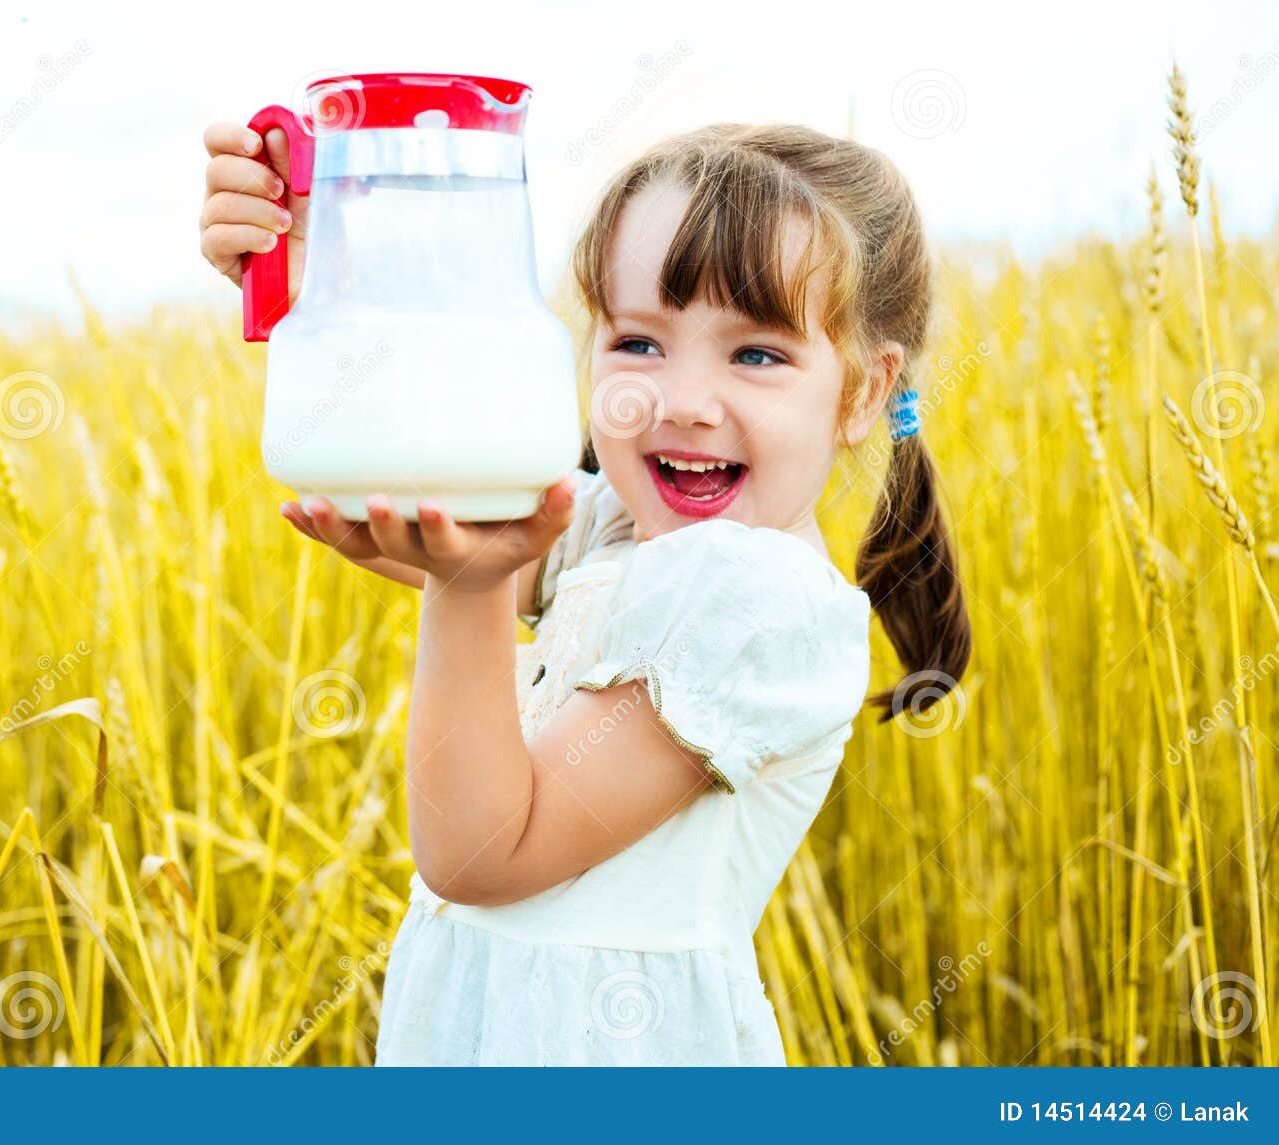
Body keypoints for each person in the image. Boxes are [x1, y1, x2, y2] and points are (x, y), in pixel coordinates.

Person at [200, 119, 970, 1064]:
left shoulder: (761, 605)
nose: (680, 399)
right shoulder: (622, 529)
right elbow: (442, 513)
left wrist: (471, 589)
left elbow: (482, 855)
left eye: (756, 354)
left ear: (861, 392)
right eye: (638, 342)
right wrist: (329, 279)